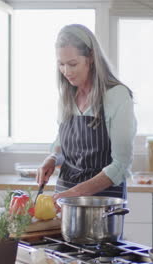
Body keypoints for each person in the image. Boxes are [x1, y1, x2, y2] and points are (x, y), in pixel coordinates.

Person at [36, 24, 136, 201]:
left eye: (73, 64)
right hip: (64, 196)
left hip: (102, 201)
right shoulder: (67, 96)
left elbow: (121, 165)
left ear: (90, 58)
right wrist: (52, 158)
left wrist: (75, 193)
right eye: (61, 64)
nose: (66, 71)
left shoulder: (117, 96)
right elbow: (62, 144)